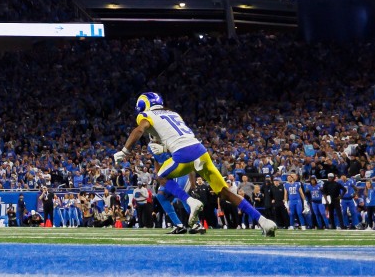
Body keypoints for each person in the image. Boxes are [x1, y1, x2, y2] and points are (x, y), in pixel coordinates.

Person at [117, 91, 276, 237]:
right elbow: (178, 136)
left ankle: (190, 201)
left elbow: (139, 130)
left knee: (160, 176)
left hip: (184, 154)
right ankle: (264, 221)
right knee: (224, 192)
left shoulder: (146, 115)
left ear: (143, 105)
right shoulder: (173, 114)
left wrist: (124, 151)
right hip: (201, 151)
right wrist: (165, 147)